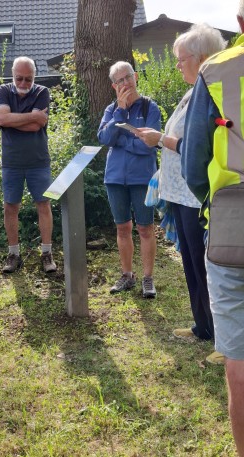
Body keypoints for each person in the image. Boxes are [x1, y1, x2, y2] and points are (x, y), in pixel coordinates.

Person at [136, 24, 227, 364]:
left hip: (198, 195)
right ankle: (202, 325)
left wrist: (160, 139)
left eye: (180, 59)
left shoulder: (215, 93)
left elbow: (199, 148)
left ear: (202, 58)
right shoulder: (192, 91)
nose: (176, 66)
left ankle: (222, 337)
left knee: (207, 267)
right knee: (189, 262)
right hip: (181, 193)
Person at [181, 4, 244, 455]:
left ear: (240, 24)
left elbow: (194, 164)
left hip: (230, 225)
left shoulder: (216, 73)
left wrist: (216, 202)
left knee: (238, 364)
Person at [97, 61, 161, 298]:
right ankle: (127, 275)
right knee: (122, 227)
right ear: (114, 86)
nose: (125, 83)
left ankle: (147, 278)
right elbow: (104, 138)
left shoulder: (149, 108)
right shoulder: (111, 110)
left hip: (142, 178)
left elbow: (149, 146)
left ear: (135, 76)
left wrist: (121, 141)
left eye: (128, 78)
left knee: (145, 228)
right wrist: (121, 113)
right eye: (120, 81)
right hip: (114, 178)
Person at [0, 56, 56, 274]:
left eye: (28, 79)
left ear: (34, 76)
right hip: (11, 162)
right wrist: (32, 116)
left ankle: (47, 252)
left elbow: (35, 126)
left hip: (39, 161)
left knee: (44, 205)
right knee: (10, 207)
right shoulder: (3, 90)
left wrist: (11, 120)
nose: (23, 84)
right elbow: (2, 119)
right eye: (19, 78)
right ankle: (13, 254)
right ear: (12, 74)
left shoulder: (42, 92)